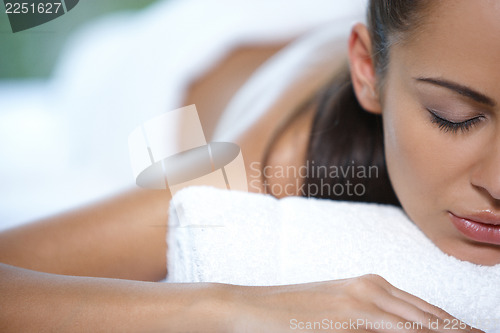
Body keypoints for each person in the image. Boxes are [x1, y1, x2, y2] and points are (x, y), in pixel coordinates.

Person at [0, 0, 497, 331]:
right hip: (166, 49)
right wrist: (225, 307)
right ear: (368, 73)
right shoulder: (257, 167)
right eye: (454, 118)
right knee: (95, 54)